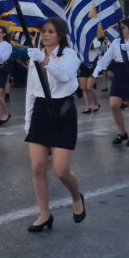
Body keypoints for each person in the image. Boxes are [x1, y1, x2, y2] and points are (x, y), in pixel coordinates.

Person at [24, 17, 85, 232]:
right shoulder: (36, 56)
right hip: (41, 112)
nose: (45, 35)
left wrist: (45, 61)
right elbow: (31, 90)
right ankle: (44, 214)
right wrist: (28, 119)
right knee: (38, 167)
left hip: (63, 112)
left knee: (61, 170)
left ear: (59, 34)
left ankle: (76, 197)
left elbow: (65, 76)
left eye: (50, 31)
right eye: (43, 31)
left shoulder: (69, 55)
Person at [93, 18, 129, 146]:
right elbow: (107, 57)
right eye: (121, 28)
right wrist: (96, 71)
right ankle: (122, 132)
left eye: (123, 27)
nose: (121, 30)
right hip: (120, 73)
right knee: (114, 104)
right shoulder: (116, 42)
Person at [78, 39, 102, 114]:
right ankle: (87, 107)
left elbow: (100, 52)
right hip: (83, 65)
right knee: (84, 87)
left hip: (93, 65)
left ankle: (96, 104)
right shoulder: (81, 40)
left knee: (89, 87)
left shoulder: (96, 41)